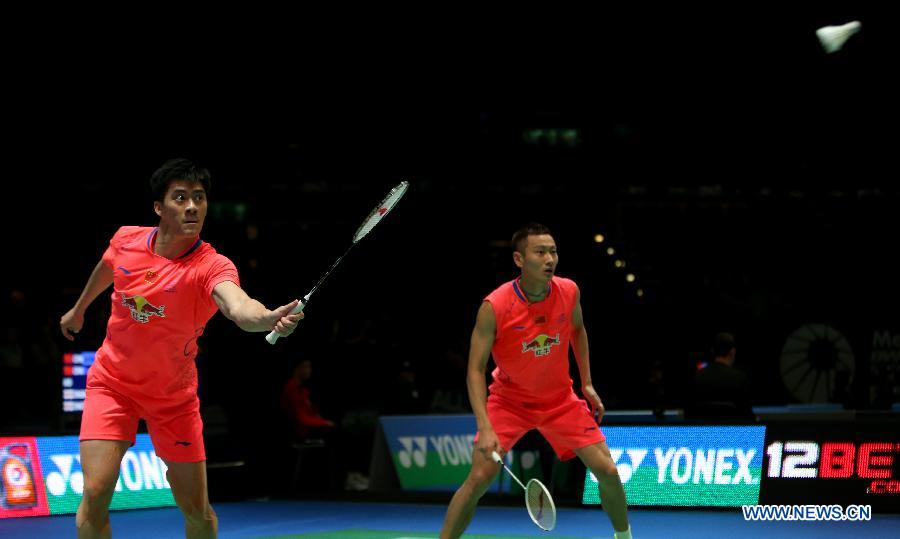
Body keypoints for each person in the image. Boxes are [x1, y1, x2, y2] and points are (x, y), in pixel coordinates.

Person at [59, 158, 303, 539]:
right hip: (112, 384)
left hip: (173, 399)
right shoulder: (127, 239)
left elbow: (238, 307)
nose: (192, 206)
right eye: (181, 197)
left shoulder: (210, 266)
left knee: (197, 513)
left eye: (199, 198)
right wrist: (80, 308)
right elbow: (108, 266)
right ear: (159, 207)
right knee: (94, 493)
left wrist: (269, 317)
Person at [439, 223, 632, 539]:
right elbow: (475, 369)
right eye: (540, 252)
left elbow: (578, 330)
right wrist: (485, 426)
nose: (549, 259)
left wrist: (587, 384)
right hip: (509, 402)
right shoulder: (495, 306)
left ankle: (624, 536)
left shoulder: (568, 291)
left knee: (608, 471)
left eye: (553, 251)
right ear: (519, 259)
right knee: (479, 478)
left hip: (560, 400)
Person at [689, 332, 753, 422]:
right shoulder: (740, 378)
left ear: (713, 350)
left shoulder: (698, 378)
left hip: (705, 434)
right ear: (732, 351)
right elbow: (747, 416)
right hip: (733, 434)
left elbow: (690, 415)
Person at [280, 358, 335, 441]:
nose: (309, 370)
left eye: (309, 367)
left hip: (305, 429)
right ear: (296, 369)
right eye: (306, 367)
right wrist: (324, 423)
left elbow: (310, 412)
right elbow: (300, 418)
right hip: (299, 433)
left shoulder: (303, 390)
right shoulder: (291, 388)